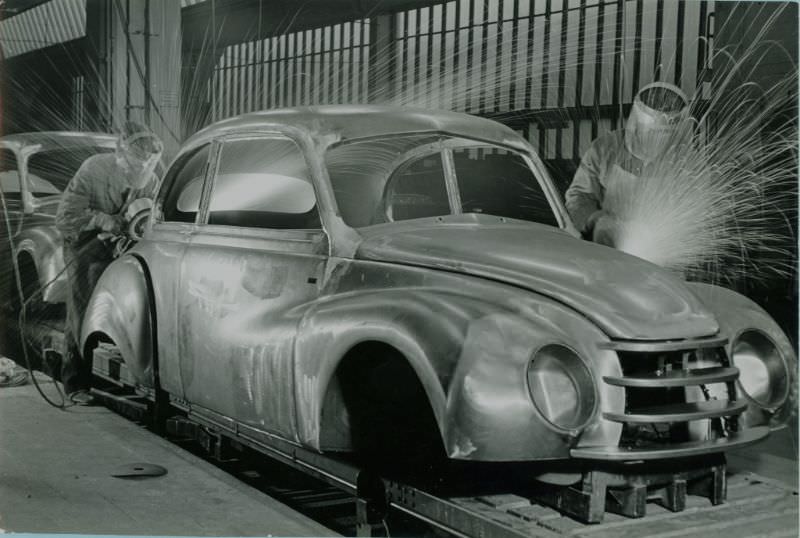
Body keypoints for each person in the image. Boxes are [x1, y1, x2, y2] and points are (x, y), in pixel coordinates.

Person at [55, 121, 162, 405]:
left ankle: (121, 371)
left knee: (122, 306)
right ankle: (75, 382)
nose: (142, 169)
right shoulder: (94, 169)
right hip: (83, 243)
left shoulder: (151, 180)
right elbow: (64, 217)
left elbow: (146, 216)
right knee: (81, 309)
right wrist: (101, 219)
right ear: (121, 153)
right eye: (136, 163)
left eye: (147, 164)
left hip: (116, 244)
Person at [565, 82, 690, 247]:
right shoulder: (604, 149)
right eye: (651, 133)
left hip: (664, 250)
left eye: (663, 134)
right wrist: (595, 220)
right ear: (636, 124)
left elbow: (696, 213)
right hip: (603, 249)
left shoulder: (686, 160)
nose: (655, 141)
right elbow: (579, 196)